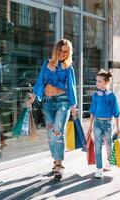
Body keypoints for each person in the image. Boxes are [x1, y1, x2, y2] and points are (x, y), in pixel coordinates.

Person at [28, 39, 77, 180]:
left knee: (57, 132)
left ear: (69, 53)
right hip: (47, 103)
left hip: (63, 103)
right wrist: (33, 97)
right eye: (60, 51)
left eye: (65, 52)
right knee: (50, 133)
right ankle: (55, 160)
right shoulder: (47, 64)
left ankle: (59, 165)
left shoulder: (69, 68)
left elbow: (72, 87)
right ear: (56, 50)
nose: (62, 54)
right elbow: (40, 82)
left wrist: (73, 106)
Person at [86, 70, 120, 178]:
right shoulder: (95, 96)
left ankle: (110, 162)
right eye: (96, 81)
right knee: (97, 146)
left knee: (108, 145)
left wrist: (118, 127)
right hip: (97, 123)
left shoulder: (111, 96)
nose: (97, 83)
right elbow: (92, 111)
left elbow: (116, 113)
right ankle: (98, 168)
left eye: (99, 81)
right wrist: (90, 126)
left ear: (106, 82)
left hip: (108, 124)